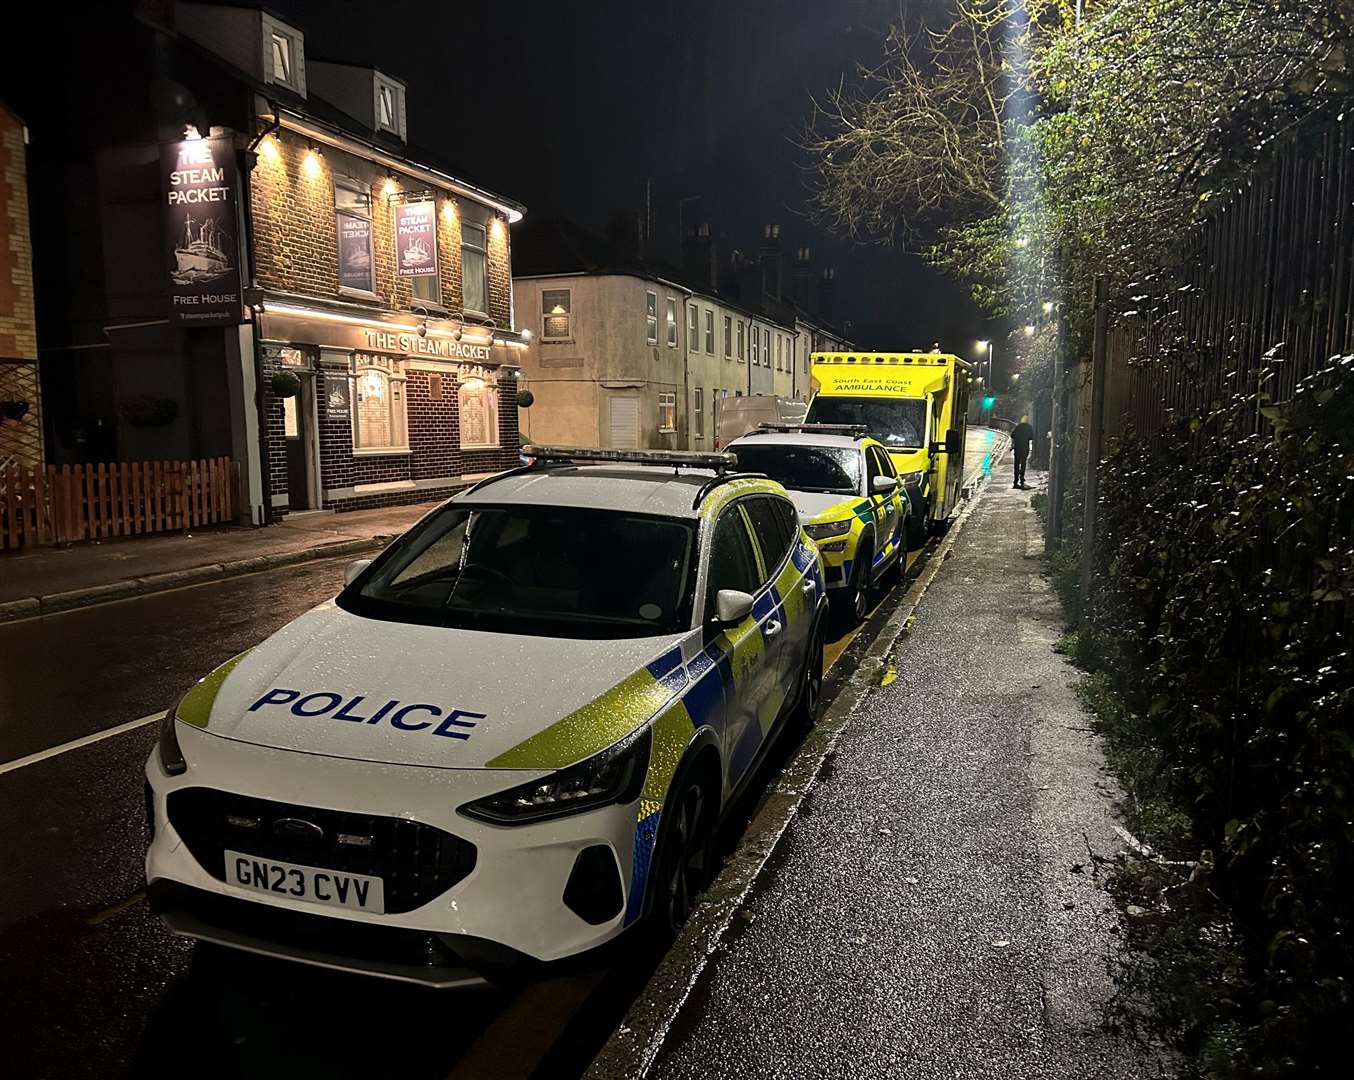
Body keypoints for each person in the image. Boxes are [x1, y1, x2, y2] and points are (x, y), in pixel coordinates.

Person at [1012, 416, 1035, 489]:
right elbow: (1031, 437)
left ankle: (1015, 481)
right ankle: (1022, 479)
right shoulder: (1029, 427)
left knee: (1016, 464)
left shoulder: (1018, 427)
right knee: (1023, 463)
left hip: (1017, 447)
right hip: (1025, 448)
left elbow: (1012, 435)